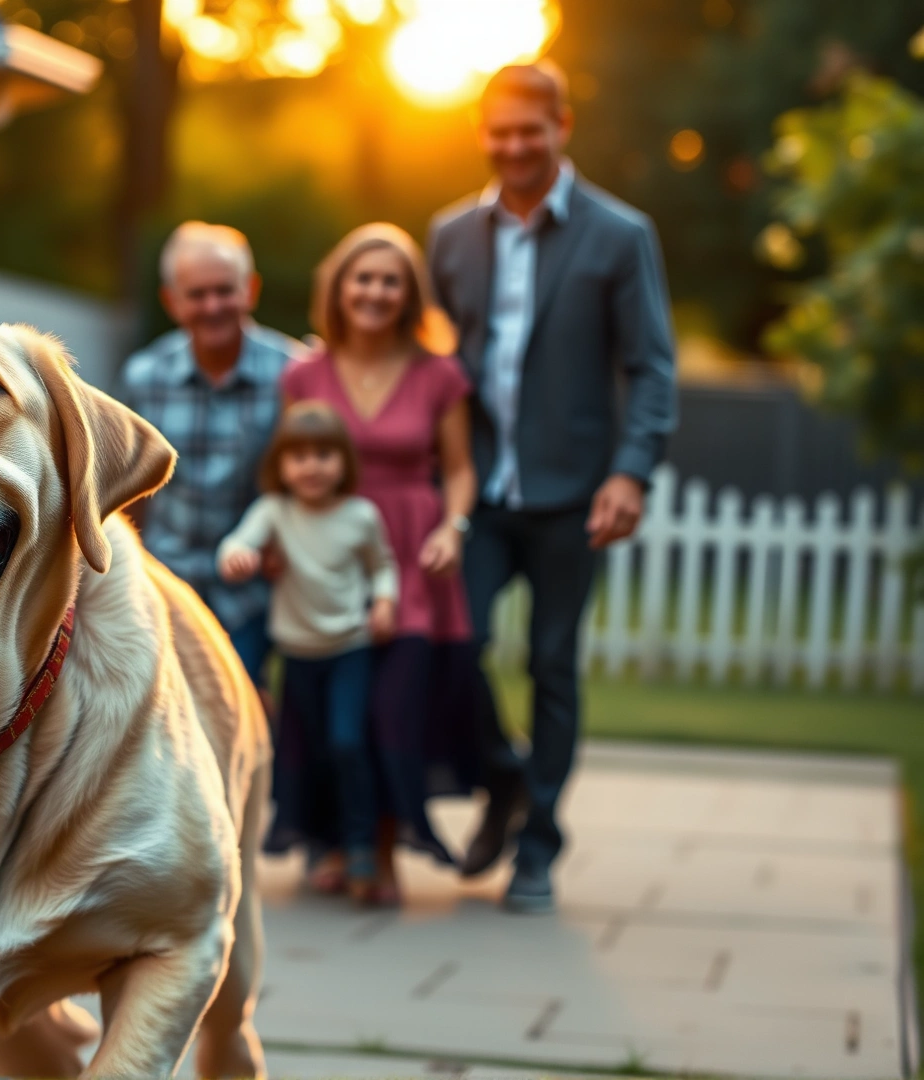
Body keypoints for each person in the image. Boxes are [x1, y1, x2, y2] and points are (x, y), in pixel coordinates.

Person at [427, 61, 678, 914]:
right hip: (480, 494)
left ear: (562, 127)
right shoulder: (451, 235)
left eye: (530, 131)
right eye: (499, 132)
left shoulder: (619, 235)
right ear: (482, 134)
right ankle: (506, 780)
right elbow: (438, 360)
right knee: (452, 647)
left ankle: (537, 849)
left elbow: (651, 368)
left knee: (552, 664)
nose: (514, 146)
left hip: (576, 493)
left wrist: (630, 473)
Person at [278, 223, 481, 904]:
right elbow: (285, 469)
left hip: (412, 559)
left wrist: (455, 527)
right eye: (362, 278)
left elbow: (458, 470)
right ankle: (336, 844)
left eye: (390, 280)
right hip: (328, 561)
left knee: (393, 711)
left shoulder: (439, 374)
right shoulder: (304, 373)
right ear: (339, 288)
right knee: (326, 708)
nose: (375, 291)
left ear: (408, 293)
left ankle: (386, 848)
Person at [218, 402, 398, 905]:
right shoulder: (275, 511)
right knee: (309, 753)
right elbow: (237, 542)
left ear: (343, 461)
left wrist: (385, 601)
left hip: (349, 649)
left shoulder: (360, 516)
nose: (312, 467)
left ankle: (360, 844)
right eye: (298, 457)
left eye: (323, 455)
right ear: (280, 465)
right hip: (297, 656)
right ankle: (321, 846)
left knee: (346, 743)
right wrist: (238, 556)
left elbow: (382, 565)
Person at [119, 222, 308, 691]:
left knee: (236, 707)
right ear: (172, 302)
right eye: (197, 294)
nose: (212, 306)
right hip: (165, 583)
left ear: (251, 290)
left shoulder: (294, 374)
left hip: (252, 593)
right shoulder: (145, 376)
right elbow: (129, 491)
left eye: (225, 291)